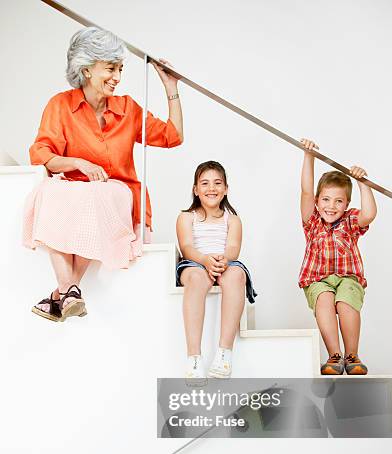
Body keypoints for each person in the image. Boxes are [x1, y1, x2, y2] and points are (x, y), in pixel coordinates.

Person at [23, 26, 183, 322]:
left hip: (117, 196)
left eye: (120, 68)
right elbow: (41, 153)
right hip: (76, 196)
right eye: (110, 68)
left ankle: (61, 292)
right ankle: (69, 292)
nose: (117, 77)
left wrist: (170, 87)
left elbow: (173, 136)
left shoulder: (128, 109)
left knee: (100, 194)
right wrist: (77, 163)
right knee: (48, 190)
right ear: (86, 70)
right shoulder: (60, 105)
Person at [299, 139, 377, 375]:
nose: (331, 206)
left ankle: (352, 355)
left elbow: (370, 214)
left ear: (346, 204)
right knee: (323, 300)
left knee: (345, 303)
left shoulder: (351, 220)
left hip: (348, 278)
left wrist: (363, 183)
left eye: (338, 201)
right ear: (316, 200)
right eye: (325, 199)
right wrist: (308, 156)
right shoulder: (312, 220)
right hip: (317, 278)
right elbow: (305, 190)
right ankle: (335, 355)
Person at [176, 161, 257, 379]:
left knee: (237, 274)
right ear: (195, 190)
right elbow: (186, 247)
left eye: (217, 183)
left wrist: (222, 261)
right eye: (205, 183)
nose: (211, 188)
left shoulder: (233, 219)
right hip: (195, 262)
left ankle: (224, 353)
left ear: (226, 189)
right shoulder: (186, 216)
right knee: (195, 277)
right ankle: (194, 357)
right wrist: (204, 260)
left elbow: (233, 248)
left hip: (224, 262)